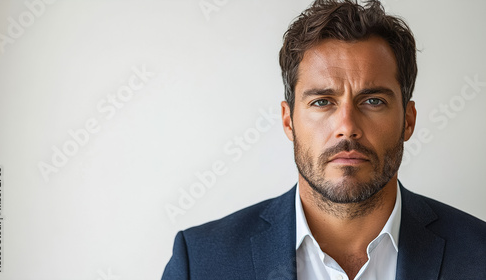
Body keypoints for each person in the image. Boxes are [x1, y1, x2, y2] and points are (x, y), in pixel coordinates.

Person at [162, 0, 486, 279]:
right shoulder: (201, 262)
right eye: (322, 102)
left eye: (373, 101)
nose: (346, 127)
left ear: (408, 120)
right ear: (289, 121)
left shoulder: (479, 254)